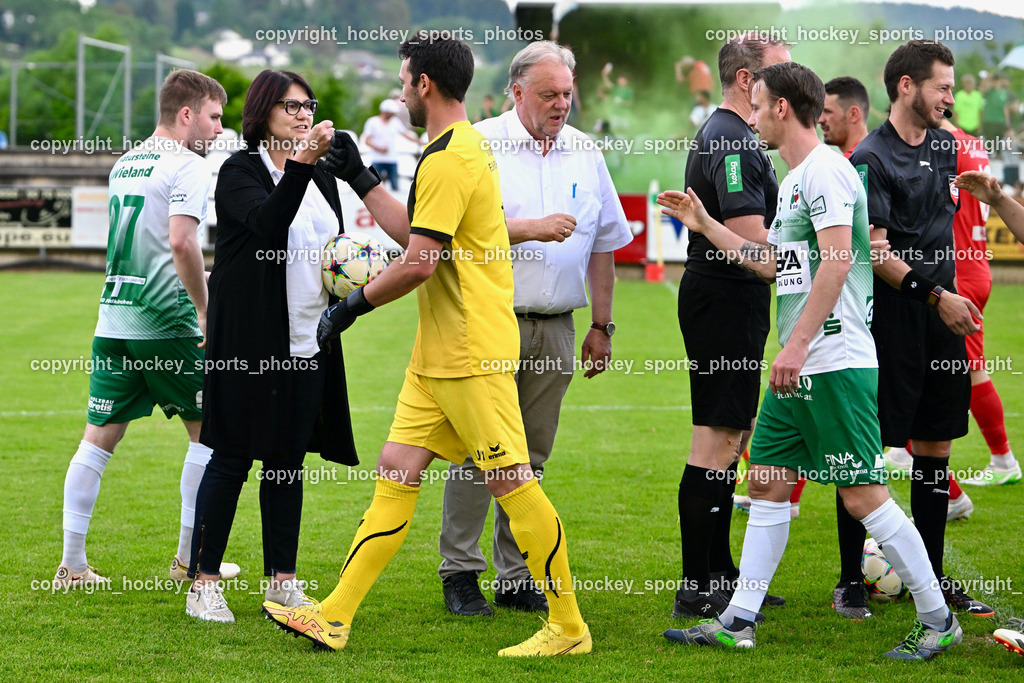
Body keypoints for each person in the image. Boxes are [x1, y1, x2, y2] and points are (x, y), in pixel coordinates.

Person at [262, 33, 591, 657]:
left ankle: (568, 627)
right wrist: (360, 176)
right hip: (439, 353)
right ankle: (333, 616)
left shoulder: (451, 157)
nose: (401, 88)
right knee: (396, 470)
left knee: (514, 485)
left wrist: (351, 306)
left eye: (404, 77)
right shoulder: (460, 147)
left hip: (471, 352)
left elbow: (418, 262)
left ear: (424, 85)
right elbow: (422, 232)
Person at [659, 60, 962, 661]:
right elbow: (776, 262)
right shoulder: (798, 176)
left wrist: (795, 345)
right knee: (768, 482)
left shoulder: (824, 171)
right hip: (801, 363)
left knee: (862, 495)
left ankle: (937, 618)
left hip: (832, 360)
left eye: (758, 104)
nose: (750, 116)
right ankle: (737, 618)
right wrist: (704, 224)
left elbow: (838, 260)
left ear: (779, 108)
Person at [437, 41, 632, 617]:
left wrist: (602, 324)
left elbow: (603, 245)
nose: (561, 104)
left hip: (559, 326)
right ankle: (460, 572)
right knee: (480, 452)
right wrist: (530, 228)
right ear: (515, 92)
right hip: (487, 322)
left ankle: (516, 573)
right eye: (549, 94)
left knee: (532, 456)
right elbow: (455, 233)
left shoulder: (584, 151)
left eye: (567, 94)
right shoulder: (478, 145)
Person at [53, 69, 240, 588]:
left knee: (96, 441)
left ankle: (73, 564)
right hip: (167, 321)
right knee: (210, 439)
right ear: (187, 115)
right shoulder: (189, 165)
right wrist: (205, 310)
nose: (219, 130)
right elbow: (182, 244)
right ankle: (190, 559)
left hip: (113, 317)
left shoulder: (125, 161)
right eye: (214, 117)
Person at [185, 69, 360, 623]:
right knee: (232, 455)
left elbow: (329, 247)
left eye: (309, 105)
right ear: (262, 113)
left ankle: (283, 580)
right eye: (290, 105)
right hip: (248, 340)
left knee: (287, 461)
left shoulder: (324, 175)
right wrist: (303, 163)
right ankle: (203, 582)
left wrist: (349, 283)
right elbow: (269, 222)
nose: (303, 114)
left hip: (307, 338)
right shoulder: (238, 169)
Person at [849, 39, 993, 618]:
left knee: (935, 446)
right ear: (906, 86)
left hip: (943, 319)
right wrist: (938, 297)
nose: (950, 99)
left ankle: (930, 576)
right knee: (866, 449)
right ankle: (847, 581)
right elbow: (877, 254)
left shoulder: (946, 147)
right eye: (943, 87)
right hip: (894, 320)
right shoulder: (870, 157)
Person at [673, 31, 790, 620]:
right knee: (714, 441)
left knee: (731, 436)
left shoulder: (735, 135)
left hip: (727, 300)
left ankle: (722, 572)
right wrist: (802, 263)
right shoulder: (731, 140)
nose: (792, 85)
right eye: (781, 72)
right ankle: (699, 584)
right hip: (723, 299)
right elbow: (750, 242)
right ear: (749, 80)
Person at [361, 98, 420, 190]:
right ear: (385, 111)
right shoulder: (372, 122)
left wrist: (420, 142)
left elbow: (406, 134)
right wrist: (379, 148)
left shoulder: (395, 122)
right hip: (377, 159)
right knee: (373, 187)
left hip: (392, 159)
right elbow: (367, 140)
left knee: (395, 187)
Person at [818, 76, 870, 157]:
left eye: (827, 112)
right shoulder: (879, 153)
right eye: (820, 112)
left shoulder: (863, 159)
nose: (820, 120)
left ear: (853, 114)